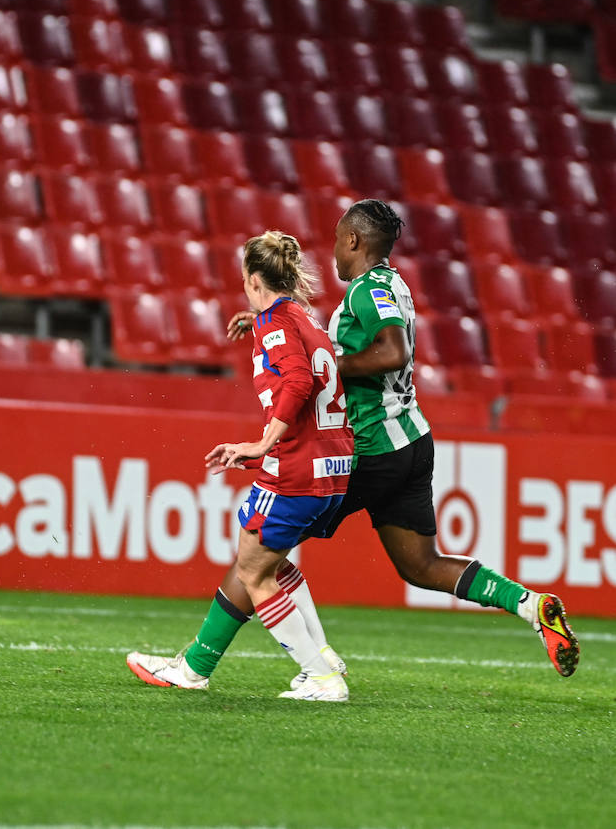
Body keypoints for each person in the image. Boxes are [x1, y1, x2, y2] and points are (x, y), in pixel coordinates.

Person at [222, 199, 579, 680]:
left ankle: (200, 663)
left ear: (353, 240)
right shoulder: (394, 286)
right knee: (421, 565)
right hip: (411, 441)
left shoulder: (367, 291)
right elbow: (353, 344)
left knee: (259, 551)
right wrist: (267, 324)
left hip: (370, 448)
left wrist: (324, 368)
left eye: (336, 239)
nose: (332, 251)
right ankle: (530, 604)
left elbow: (393, 351)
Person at [127, 231, 356, 701]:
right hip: (333, 466)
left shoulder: (277, 325)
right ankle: (317, 657)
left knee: (253, 572)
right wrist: (259, 321)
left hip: (295, 465)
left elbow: (297, 378)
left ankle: (320, 675)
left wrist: (262, 442)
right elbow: (307, 358)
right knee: (267, 558)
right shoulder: (301, 318)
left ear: (254, 280)